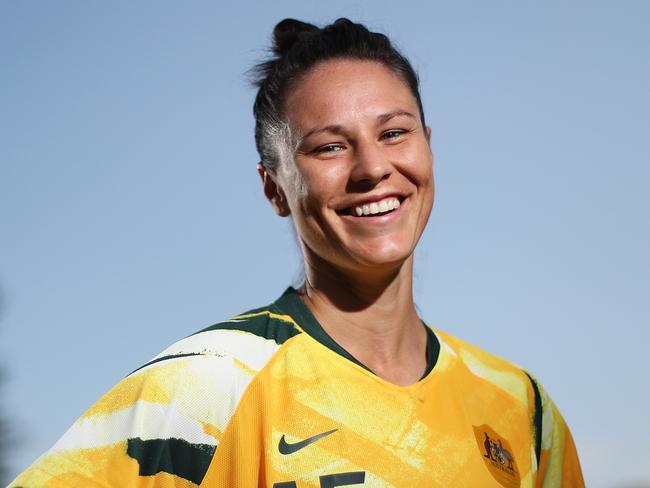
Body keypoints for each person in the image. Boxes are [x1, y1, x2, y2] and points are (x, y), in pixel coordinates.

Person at [11, 18, 584, 487]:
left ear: (428, 146)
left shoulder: (522, 409)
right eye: (329, 147)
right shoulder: (207, 385)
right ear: (275, 187)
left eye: (393, 133)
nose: (373, 169)